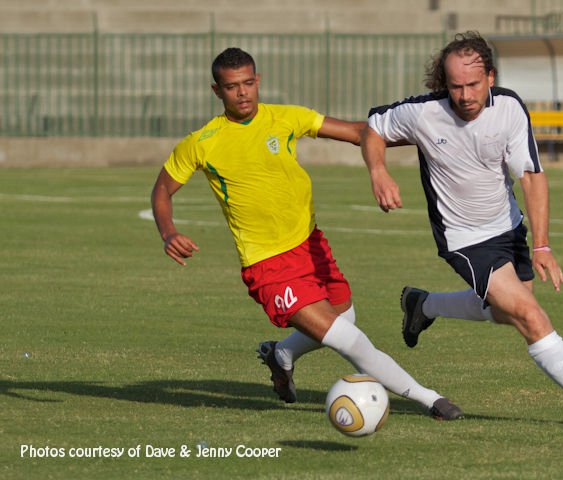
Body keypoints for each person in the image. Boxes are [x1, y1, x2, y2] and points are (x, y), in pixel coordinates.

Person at [150, 47, 462, 420]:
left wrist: (427, 133)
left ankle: (281, 355)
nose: (243, 93)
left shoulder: (286, 118)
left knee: (345, 319)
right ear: (217, 91)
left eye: (249, 83)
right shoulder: (202, 142)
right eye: (232, 87)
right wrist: (168, 232)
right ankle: (432, 400)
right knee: (350, 341)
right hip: (268, 265)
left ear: (258, 80)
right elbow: (162, 189)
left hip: (311, 246)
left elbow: (355, 132)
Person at [360, 32, 563, 428]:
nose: (465, 94)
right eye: (455, 86)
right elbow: (373, 129)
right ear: (444, 83)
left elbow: (531, 176)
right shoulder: (423, 112)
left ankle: (425, 305)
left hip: (508, 227)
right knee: (530, 315)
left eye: (473, 84)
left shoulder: (508, 107)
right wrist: (378, 170)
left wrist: (541, 246)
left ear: (490, 76)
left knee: (508, 314)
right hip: (464, 238)